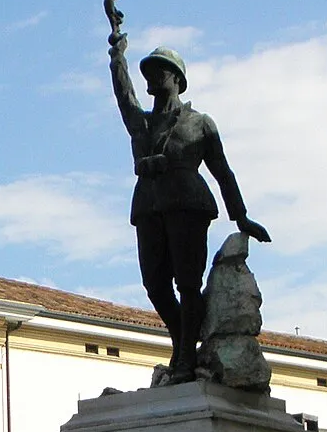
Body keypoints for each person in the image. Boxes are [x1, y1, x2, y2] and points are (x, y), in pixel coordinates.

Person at [107, 28, 270, 382]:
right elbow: (124, 95)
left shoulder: (200, 124)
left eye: (159, 70)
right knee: (154, 284)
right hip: (149, 205)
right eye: (148, 72)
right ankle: (183, 337)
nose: (151, 76)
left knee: (188, 283)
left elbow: (222, 172)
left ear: (178, 79)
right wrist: (116, 52)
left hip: (187, 203)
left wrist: (241, 217)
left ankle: (184, 358)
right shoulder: (143, 123)